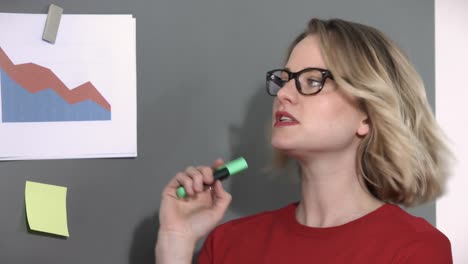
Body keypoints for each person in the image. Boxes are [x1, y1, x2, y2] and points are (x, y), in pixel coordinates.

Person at [155, 18, 453, 263]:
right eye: (283, 79)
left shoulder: (416, 250)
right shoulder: (229, 244)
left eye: (312, 80)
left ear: (368, 116)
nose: (283, 93)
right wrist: (176, 241)